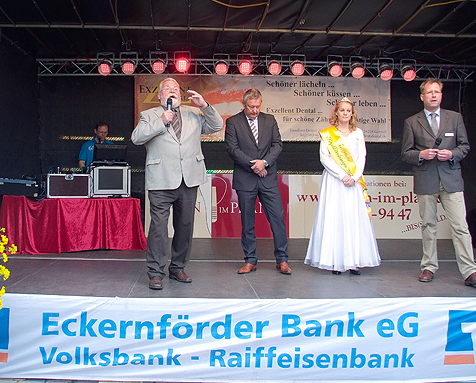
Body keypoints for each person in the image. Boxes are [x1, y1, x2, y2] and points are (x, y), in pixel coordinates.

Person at [131, 77, 223, 290]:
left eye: (176, 88)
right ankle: (155, 272)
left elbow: (217, 125)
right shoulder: (149, 115)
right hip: (161, 179)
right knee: (158, 228)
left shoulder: (194, 113)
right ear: (159, 95)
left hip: (188, 178)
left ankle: (178, 267)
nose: (172, 91)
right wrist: (161, 120)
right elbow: (136, 138)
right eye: (167, 88)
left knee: (184, 226)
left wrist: (205, 105)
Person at [401, 78, 476, 286]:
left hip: (451, 178)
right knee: (428, 225)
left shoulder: (455, 118)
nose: (433, 95)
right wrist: (421, 154)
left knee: (460, 226)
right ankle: (428, 267)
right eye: (429, 92)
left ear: (441, 95)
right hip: (426, 178)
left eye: (437, 92)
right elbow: (405, 153)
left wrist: (451, 154)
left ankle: (470, 271)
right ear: (422, 96)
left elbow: (464, 147)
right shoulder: (412, 122)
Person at [304, 98, 380, 275]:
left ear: (352, 113)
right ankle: (335, 261)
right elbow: (324, 158)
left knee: (353, 218)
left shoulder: (358, 133)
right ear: (336, 112)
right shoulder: (328, 134)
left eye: (348, 110)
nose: (345, 113)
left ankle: (353, 261)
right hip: (334, 180)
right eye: (342, 110)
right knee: (334, 218)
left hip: (353, 182)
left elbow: (361, 157)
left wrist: (354, 177)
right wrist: (341, 175)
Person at [225, 88, 291, 275]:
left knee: (277, 218)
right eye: (251, 107)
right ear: (244, 104)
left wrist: (265, 163)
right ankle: (250, 260)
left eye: (258, 107)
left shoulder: (270, 120)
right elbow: (232, 149)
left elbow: (277, 145)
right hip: (246, 178)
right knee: (247, 222)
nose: (255, 110)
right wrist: (254, 165)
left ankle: (282, 259)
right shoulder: (233, 122)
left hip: (268, 178)